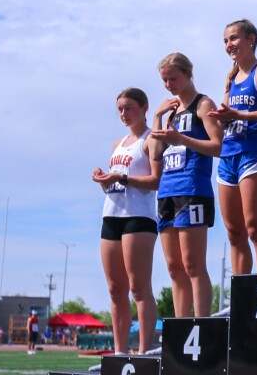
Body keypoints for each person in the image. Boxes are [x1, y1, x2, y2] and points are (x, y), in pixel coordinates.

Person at [208, 20, 257, 275]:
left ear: (251, 39)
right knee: (234, 232)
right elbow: (229, 116)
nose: (229, 45)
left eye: (233, 38)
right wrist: (220, 118)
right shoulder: (231, 77)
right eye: (225, 41)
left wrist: (241, 114)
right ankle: (241, 290)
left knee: (255, 228)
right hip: (228, 155)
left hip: (254, 153)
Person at [152, 53, 223, 317]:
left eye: (173, 78)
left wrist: (181, 139)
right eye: (164, 80)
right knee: (174, 268)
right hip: (167, 191)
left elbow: (218, 146)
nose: (168, 85)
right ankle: (180, 325)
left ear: (188, 74)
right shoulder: (171, 110)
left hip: (192, 190)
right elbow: (155, 153)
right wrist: (157, 116)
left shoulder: (203, 104)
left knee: (193, 264)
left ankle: (202, 323)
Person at [90, 88, 160, 353]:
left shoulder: (151, 139)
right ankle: (119, 351)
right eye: (120, 109)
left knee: (139, 288)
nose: (123, 113)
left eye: (128, 107)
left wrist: (121, 177)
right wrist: (103, 179)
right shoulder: (117, 144)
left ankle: (143, 352)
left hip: (138, 218)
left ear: (144, 108)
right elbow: (113, 187)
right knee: (115, 290)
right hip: (111, 216)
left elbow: (156, 181)